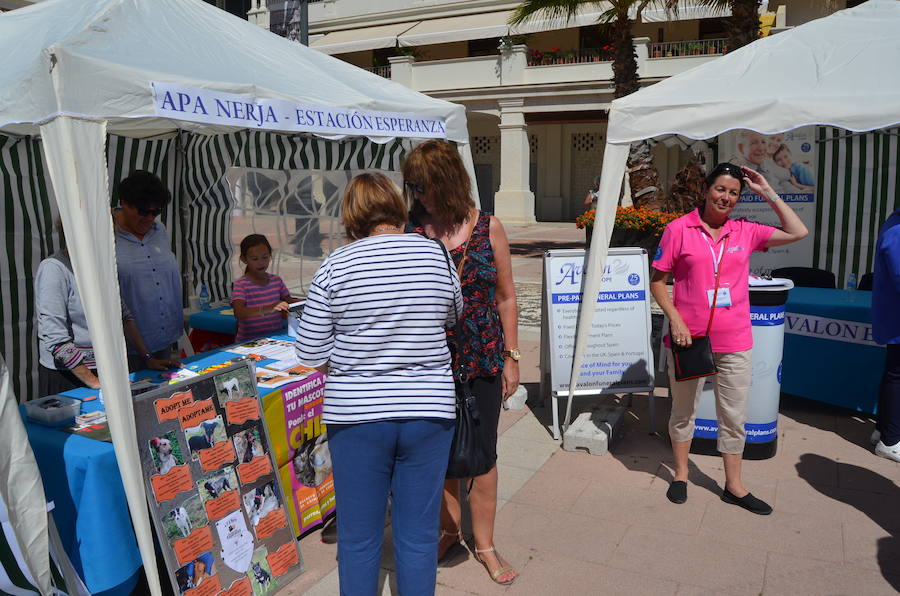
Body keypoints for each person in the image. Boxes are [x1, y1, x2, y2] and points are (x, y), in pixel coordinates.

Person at [294, 172, 462, 595]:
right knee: (419, 533)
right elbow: (453, 314)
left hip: (357, 416)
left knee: (358, 537)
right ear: (398, 208)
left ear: (352, 217)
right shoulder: (436, 255)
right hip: (428, 410)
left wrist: (353, 357)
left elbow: (309, 352)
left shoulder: (336, 265)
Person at [650, 162, 808, 514]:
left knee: (734, 416)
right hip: (689, 340)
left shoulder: (745, 231)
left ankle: (733, 485)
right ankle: (681, 474)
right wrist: (675, 320)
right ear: (707, 189)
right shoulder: (679, 229)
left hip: (735, 341)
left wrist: (766, 191)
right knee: (683, 411)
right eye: (720, 189)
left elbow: (798, 231)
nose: (726, 197)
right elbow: (657, 281)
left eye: (734, 193)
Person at [403, 140, 519, 585]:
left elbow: (506, 297)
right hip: (429, 359)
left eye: (423, 186)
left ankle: (485, 544)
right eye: (412, 186)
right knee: (439, 451)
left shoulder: (488, 227)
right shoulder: (411, 232)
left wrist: (511, 357)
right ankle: (450, 530)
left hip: (483, 355)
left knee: (483, 452)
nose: (416, 195)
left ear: (448, 182)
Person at [36, 220, 180, 395]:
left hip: (103, 370)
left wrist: (148, 358)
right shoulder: (54, 269)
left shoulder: (100, 268)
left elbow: (124, 317)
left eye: (112, 237)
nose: (112, 242)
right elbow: (56, 339)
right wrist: (95, 382)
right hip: (68, 377)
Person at [113, 170, 183, 371]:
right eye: (143, 212)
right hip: (127, 346)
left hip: (162, 338)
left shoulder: (159, 230)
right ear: (124, 203)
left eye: (156, 212)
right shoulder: (107, 234)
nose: (150, 218)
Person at [872, 205, 900, 462]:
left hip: (894, 316)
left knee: (893, 373)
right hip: (896, 316)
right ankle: (890, 440)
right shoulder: (897, 229)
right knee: (896, 376)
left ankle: (883, 431)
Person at [231, 234, 291, 342]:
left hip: (274, 340)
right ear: (244, 259)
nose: (261, 262)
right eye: (255, 259)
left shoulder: (276, 281)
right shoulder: (241, 284)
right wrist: (270, 308)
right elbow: (239, 313)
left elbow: (289, 302)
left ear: (270, 255)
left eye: (265, 257)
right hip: (248, 342)